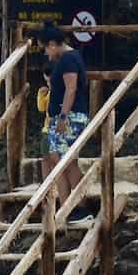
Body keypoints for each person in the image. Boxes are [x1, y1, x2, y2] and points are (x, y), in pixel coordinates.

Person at [37, 20, 90, 218]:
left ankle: (77, 206)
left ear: (52, 44)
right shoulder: (68, 58)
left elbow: (71, 88)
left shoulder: (68, 59)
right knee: (61, 160)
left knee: (65, 161)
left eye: (46, 49)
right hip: (66, 116)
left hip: (70, 116)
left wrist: (62, 116)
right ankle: (70, 205)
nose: (46, 54)